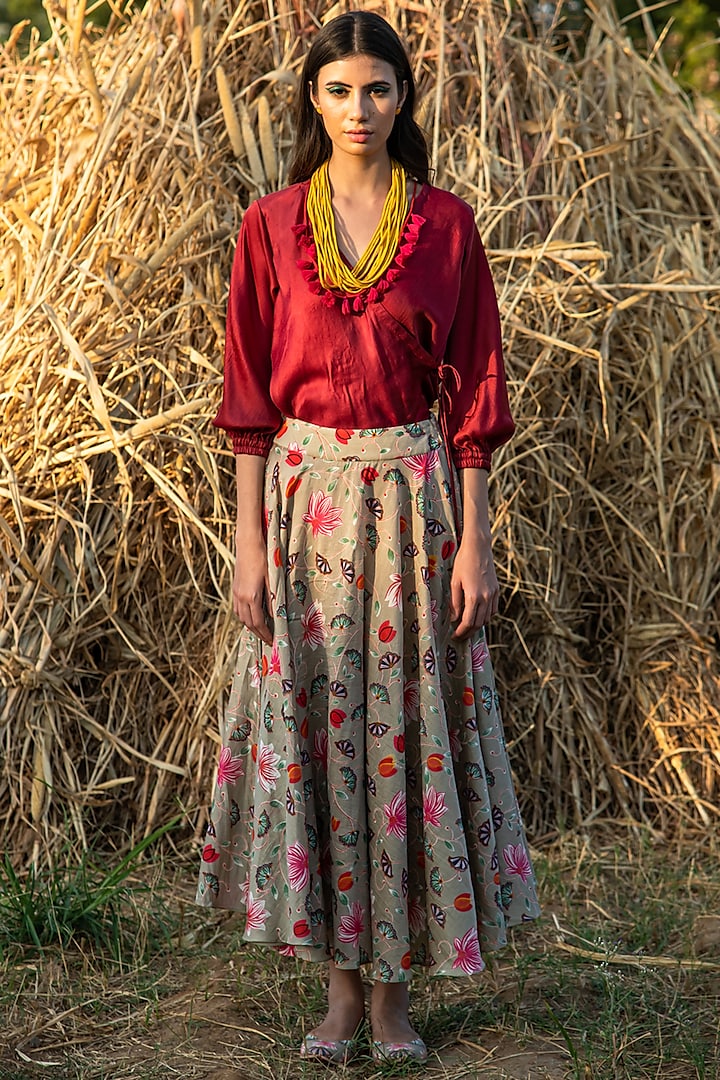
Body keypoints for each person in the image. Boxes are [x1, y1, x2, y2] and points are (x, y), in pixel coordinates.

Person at [196, 9, 541, 1066]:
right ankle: (339, 1000)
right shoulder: (268, 228)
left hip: (413, 509)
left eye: (380, 89)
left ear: (404, 97)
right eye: (341, 90)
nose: (361, 109)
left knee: (400, 741)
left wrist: (475, 542)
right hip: (303, 512)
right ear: (314, 97)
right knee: (324, 749)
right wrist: (249, 544)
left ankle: (395, 1004)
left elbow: (477, 389)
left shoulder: (445, 227)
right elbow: (250, 399)